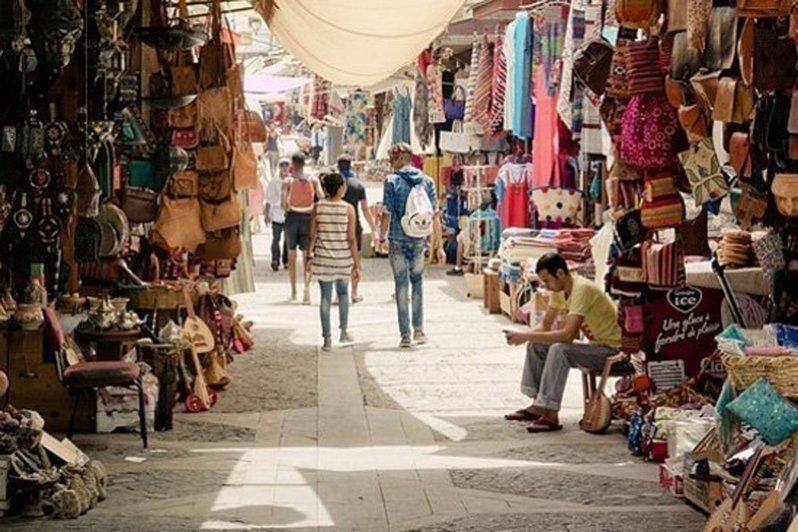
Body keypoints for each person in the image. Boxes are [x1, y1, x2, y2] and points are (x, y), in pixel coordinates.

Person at [503, 253, 622, 433]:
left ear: (560, 273)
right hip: (596, 346)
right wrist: (523, 335)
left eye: (547, 281)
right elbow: (545, 325)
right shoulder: (560, 291)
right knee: (536, 345)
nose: (545, 286)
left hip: (613, 351)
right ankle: (539, 405)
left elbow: (568, 336)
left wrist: (526, 336)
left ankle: (551, 413)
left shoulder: (582, 289)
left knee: (560, 350)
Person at [376, 143, 445, 348]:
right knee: (417, 283)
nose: (390, 163)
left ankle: (405, 335)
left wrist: (381, 238)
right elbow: (435, 215)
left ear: (399, 158)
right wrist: (439, 246)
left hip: (397, 239)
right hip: (418, 240)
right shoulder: (427, 181)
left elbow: (386, 213)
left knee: (401, 286)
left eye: (392, 158)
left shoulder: (391, 181)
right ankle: (419, 330)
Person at [306, 173, 361, 351]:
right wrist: (356, 263)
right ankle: (343, 332)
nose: (345, 188)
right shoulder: (348, 209)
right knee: (343, 294)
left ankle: (327, 339)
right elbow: (351, 239)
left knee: (325, 298)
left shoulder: (318, 207)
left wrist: (308, 257)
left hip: (323, 259)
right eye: (343, 185)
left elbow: (312, 236)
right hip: (343, 259)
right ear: (339, 188)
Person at [282, 152, 324, 303]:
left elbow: (283, 204)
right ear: (304, 163)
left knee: (291, 255)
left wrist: (288, 208)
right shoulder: (313, 179)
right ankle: (307, 289)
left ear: (293, 164)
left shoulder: (288, 181)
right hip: (308, 218)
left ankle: (294, 291)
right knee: (307, 254)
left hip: (292, 218)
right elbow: (321, 197)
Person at [338, 154, 375, 303]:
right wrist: (373, 228)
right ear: (351, 165)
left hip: (337, 226)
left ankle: (338, 294)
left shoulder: (334, 184)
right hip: (354, 226)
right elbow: (365, 209)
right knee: (355, 259)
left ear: (338, 166)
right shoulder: (358, 185)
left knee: (339, 261)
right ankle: (354, 292)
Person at [447, 193, 501, 276]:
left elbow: (471, 234)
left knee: (461, 236)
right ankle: (470, 266)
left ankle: (458, 267)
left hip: (477, 247)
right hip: (492, 247)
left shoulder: (475, 216)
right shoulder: (495, 216)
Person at [265, 157, 290, 271]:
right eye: (282, 166)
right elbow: (268, 199)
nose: (284, 168)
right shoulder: (274, 181)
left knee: (288, 239)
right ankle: (275, 259)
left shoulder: (292, 181)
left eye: (286, 165)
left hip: (289, 214)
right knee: (276, 238)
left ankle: (286, 260)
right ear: (279, 167)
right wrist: (267, 215)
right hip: (276, 214)